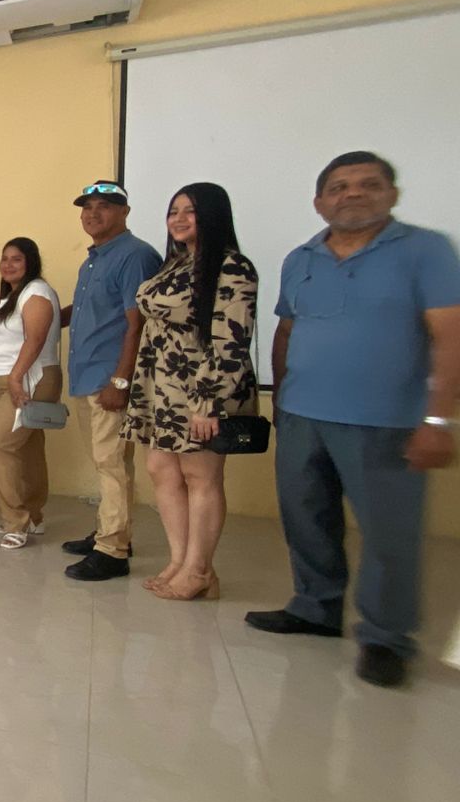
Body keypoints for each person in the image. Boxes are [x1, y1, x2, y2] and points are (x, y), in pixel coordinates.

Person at [246, 152, 460, 688]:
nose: (353, 194)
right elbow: (286, 332)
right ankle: (315, 607)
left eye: (369, 184)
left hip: (386, 422)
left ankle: (386, 638)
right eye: (339, 187)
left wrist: (439, 421)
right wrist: (280, 400)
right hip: (302, 414)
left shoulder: (425, 250)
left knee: (389, 534)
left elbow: (451, 336)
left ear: (392, 194)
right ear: (320, 203)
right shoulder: (301, 258)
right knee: (306, 518)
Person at [124, 185, 259, 601]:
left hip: (202, 390)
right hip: (162, 390)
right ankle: (181, 561)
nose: (179, 219)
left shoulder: (232, 267)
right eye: (173, 211)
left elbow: (233, 341)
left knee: (200, 476)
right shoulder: (177, 264)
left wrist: (210, 402)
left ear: (213, 215)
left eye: (190, 211)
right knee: (162, 471)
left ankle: (199, 570)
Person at [59, 180, 162, 580]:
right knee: (105, 462)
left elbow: (138, 324)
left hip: (109, 381)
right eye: (87, 207)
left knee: (112, 463)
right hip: (87, 377)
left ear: (125, 212)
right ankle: (110, 530)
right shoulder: (93, 260)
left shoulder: (135, 255)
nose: (93, 213)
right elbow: (89, 310)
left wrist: (120, 382)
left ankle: (113, 550)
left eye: (104, 206)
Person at [0, 237, 63, 550]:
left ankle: (16, 521)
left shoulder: (36, 292)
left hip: (29, 378)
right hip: (8, 379)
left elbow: (36, 338)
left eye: (16, 258)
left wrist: (16, 378)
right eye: (4, 258)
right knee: (27, 449)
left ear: (31, 261)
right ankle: (34, 516)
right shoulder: (11, 297)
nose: (8, 264)